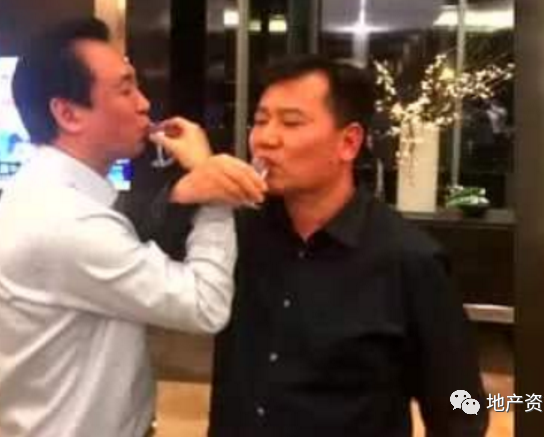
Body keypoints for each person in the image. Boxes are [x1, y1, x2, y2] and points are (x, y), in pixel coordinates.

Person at [0, 18, 266, 437]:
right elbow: (205, 305)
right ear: (68, 113)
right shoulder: (66, 220)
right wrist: (214, 194)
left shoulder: (45, 187)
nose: (144, 103)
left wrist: (185, 192)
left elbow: (124, 235)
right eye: (125, 89)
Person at [205, 55, 488, 436]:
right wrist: (188, 189)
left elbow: (460, 407)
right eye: (260, 120)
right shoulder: (238, 231)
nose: (265, 139)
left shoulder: (409, 259)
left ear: (349, 142)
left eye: (291, 122)